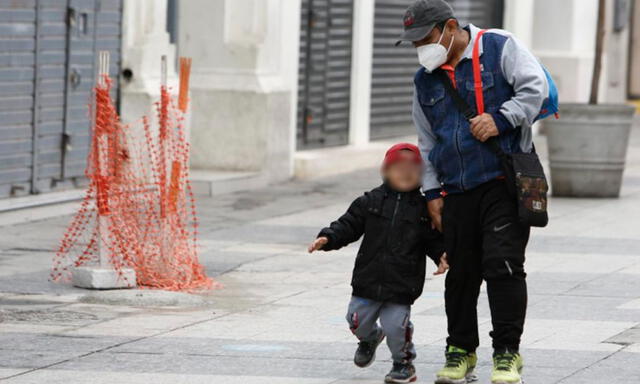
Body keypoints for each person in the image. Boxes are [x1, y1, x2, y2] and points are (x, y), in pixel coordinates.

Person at [396, 1, 549, 383]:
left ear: (450, 28)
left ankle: (507, 353)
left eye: (425, 39)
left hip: (504, 182)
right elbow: (427, 142)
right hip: (456, 189)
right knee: (460, 273)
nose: (420, 49)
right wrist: (431, 194)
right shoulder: (424, 79)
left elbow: (536, 90)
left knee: (503, 265)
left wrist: (501, 119)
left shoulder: (500, 46)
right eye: (414, 43)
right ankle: (460, 350)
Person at [308, 143, 448, 384]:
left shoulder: (423, 209)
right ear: (385, 171)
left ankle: (403, 363)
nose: (406, 174)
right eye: (398, 168)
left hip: (402, 284)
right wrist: (328, 238)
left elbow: (432, 241)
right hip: (367, 281)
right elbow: (348, 225)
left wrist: (442, 255)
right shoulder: (369, 201)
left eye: (413, 170)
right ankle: (370, 338)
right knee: (356, 321)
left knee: (396, 327)